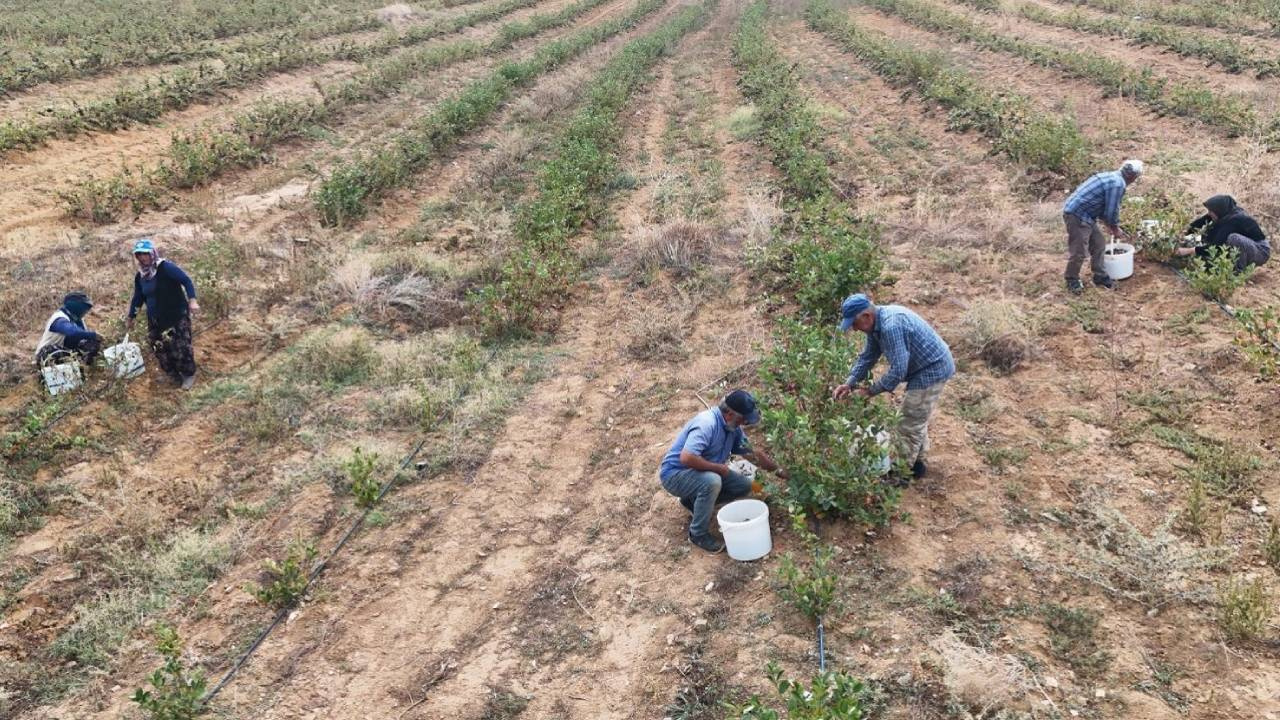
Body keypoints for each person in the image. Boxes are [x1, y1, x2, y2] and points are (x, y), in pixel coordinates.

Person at [832, 293, 954, 483]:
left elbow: (898, 370)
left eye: (854, 324)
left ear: (867, 316)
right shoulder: (876, 326)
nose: (855, 329)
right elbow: (868, 357)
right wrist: (850, 382)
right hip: (920, 369)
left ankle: (900, 476)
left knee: (908, 422)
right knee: (914, 417)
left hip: (932, 369)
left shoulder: (891, 326)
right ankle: (917, 466)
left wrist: (869, 391)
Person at [659, 389, 788, 553]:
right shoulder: (707, 424)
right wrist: (718, 468)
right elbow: (686, 458)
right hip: (675, 475)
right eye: (743, 419)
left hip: (700, 473)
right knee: (712, 481)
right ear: (729, 414)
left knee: (745, 486)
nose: (745, 424)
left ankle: (691, 501)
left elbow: (753, 455)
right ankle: (697, 534)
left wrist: (780, 472)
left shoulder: (732, 428)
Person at [125, 238, 200, 389]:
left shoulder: (165, 267)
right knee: (158, 347)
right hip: (155, 319)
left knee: (180, 346)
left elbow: (186, 281)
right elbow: (138, 297)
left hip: (175, 315)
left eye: (145, 254)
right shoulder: (141, 276)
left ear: (152, 253)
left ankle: (188, 375)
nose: (142, 257)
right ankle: (172, 375)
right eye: (139, 255)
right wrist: (131, 317)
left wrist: (192, 300)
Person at [1062, 159, 1144, 294]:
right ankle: (1072, 279)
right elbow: (1111, 210)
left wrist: (1110, 225)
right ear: (1132, 176)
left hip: (1086, 214)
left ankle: (1099, 276)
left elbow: (1101, 205)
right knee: (1079, 250)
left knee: (1099, 243)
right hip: (1077, 214)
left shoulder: (1111, 176)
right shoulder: (1118, 184)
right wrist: (1114, 228)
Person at [1176, 194, 1270, 272]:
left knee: (1234, 238)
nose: (1208, 213)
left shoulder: (1234, 220)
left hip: (1260, 251)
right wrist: (1184, 235)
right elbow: (1200, 222)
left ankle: (1238, 271)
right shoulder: (1225, 212)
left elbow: (1215, 246)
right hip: (1249, 246)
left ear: (1218, 211)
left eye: (1210, 211)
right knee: (1208, 236)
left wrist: (1188, 250)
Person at [35, 292, 102, 367]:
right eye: (84, 309)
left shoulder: (78, 319)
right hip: (47, 355)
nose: (86, 312)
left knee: (92, 343)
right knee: (52, 352)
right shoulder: (59, 318)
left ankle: (83, 368)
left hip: (67, 352)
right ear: (77, 307)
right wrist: (92, 335)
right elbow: (72, 332)